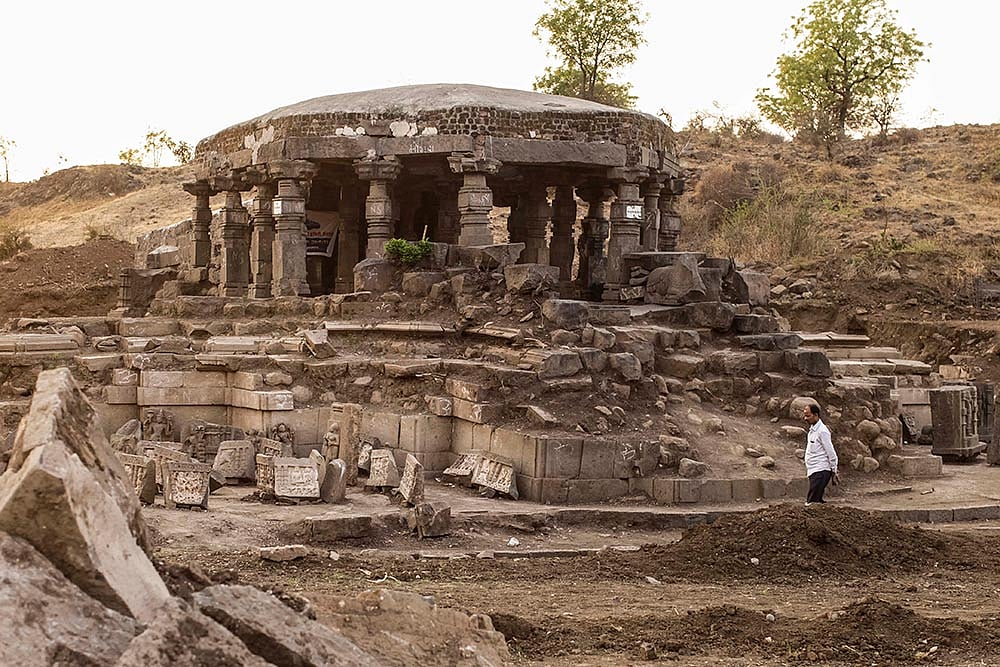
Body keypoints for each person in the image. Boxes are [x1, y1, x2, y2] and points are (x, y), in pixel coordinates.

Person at [802, 403, 838, 505]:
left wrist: (834, 470)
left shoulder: (822, 431)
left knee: (811, 503)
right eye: (805, 415)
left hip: (820, 471)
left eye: (808, 416)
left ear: (816, 415)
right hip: (814, 471)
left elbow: (831, 452)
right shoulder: (812, 430)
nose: (805, 418)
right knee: (816, 502)